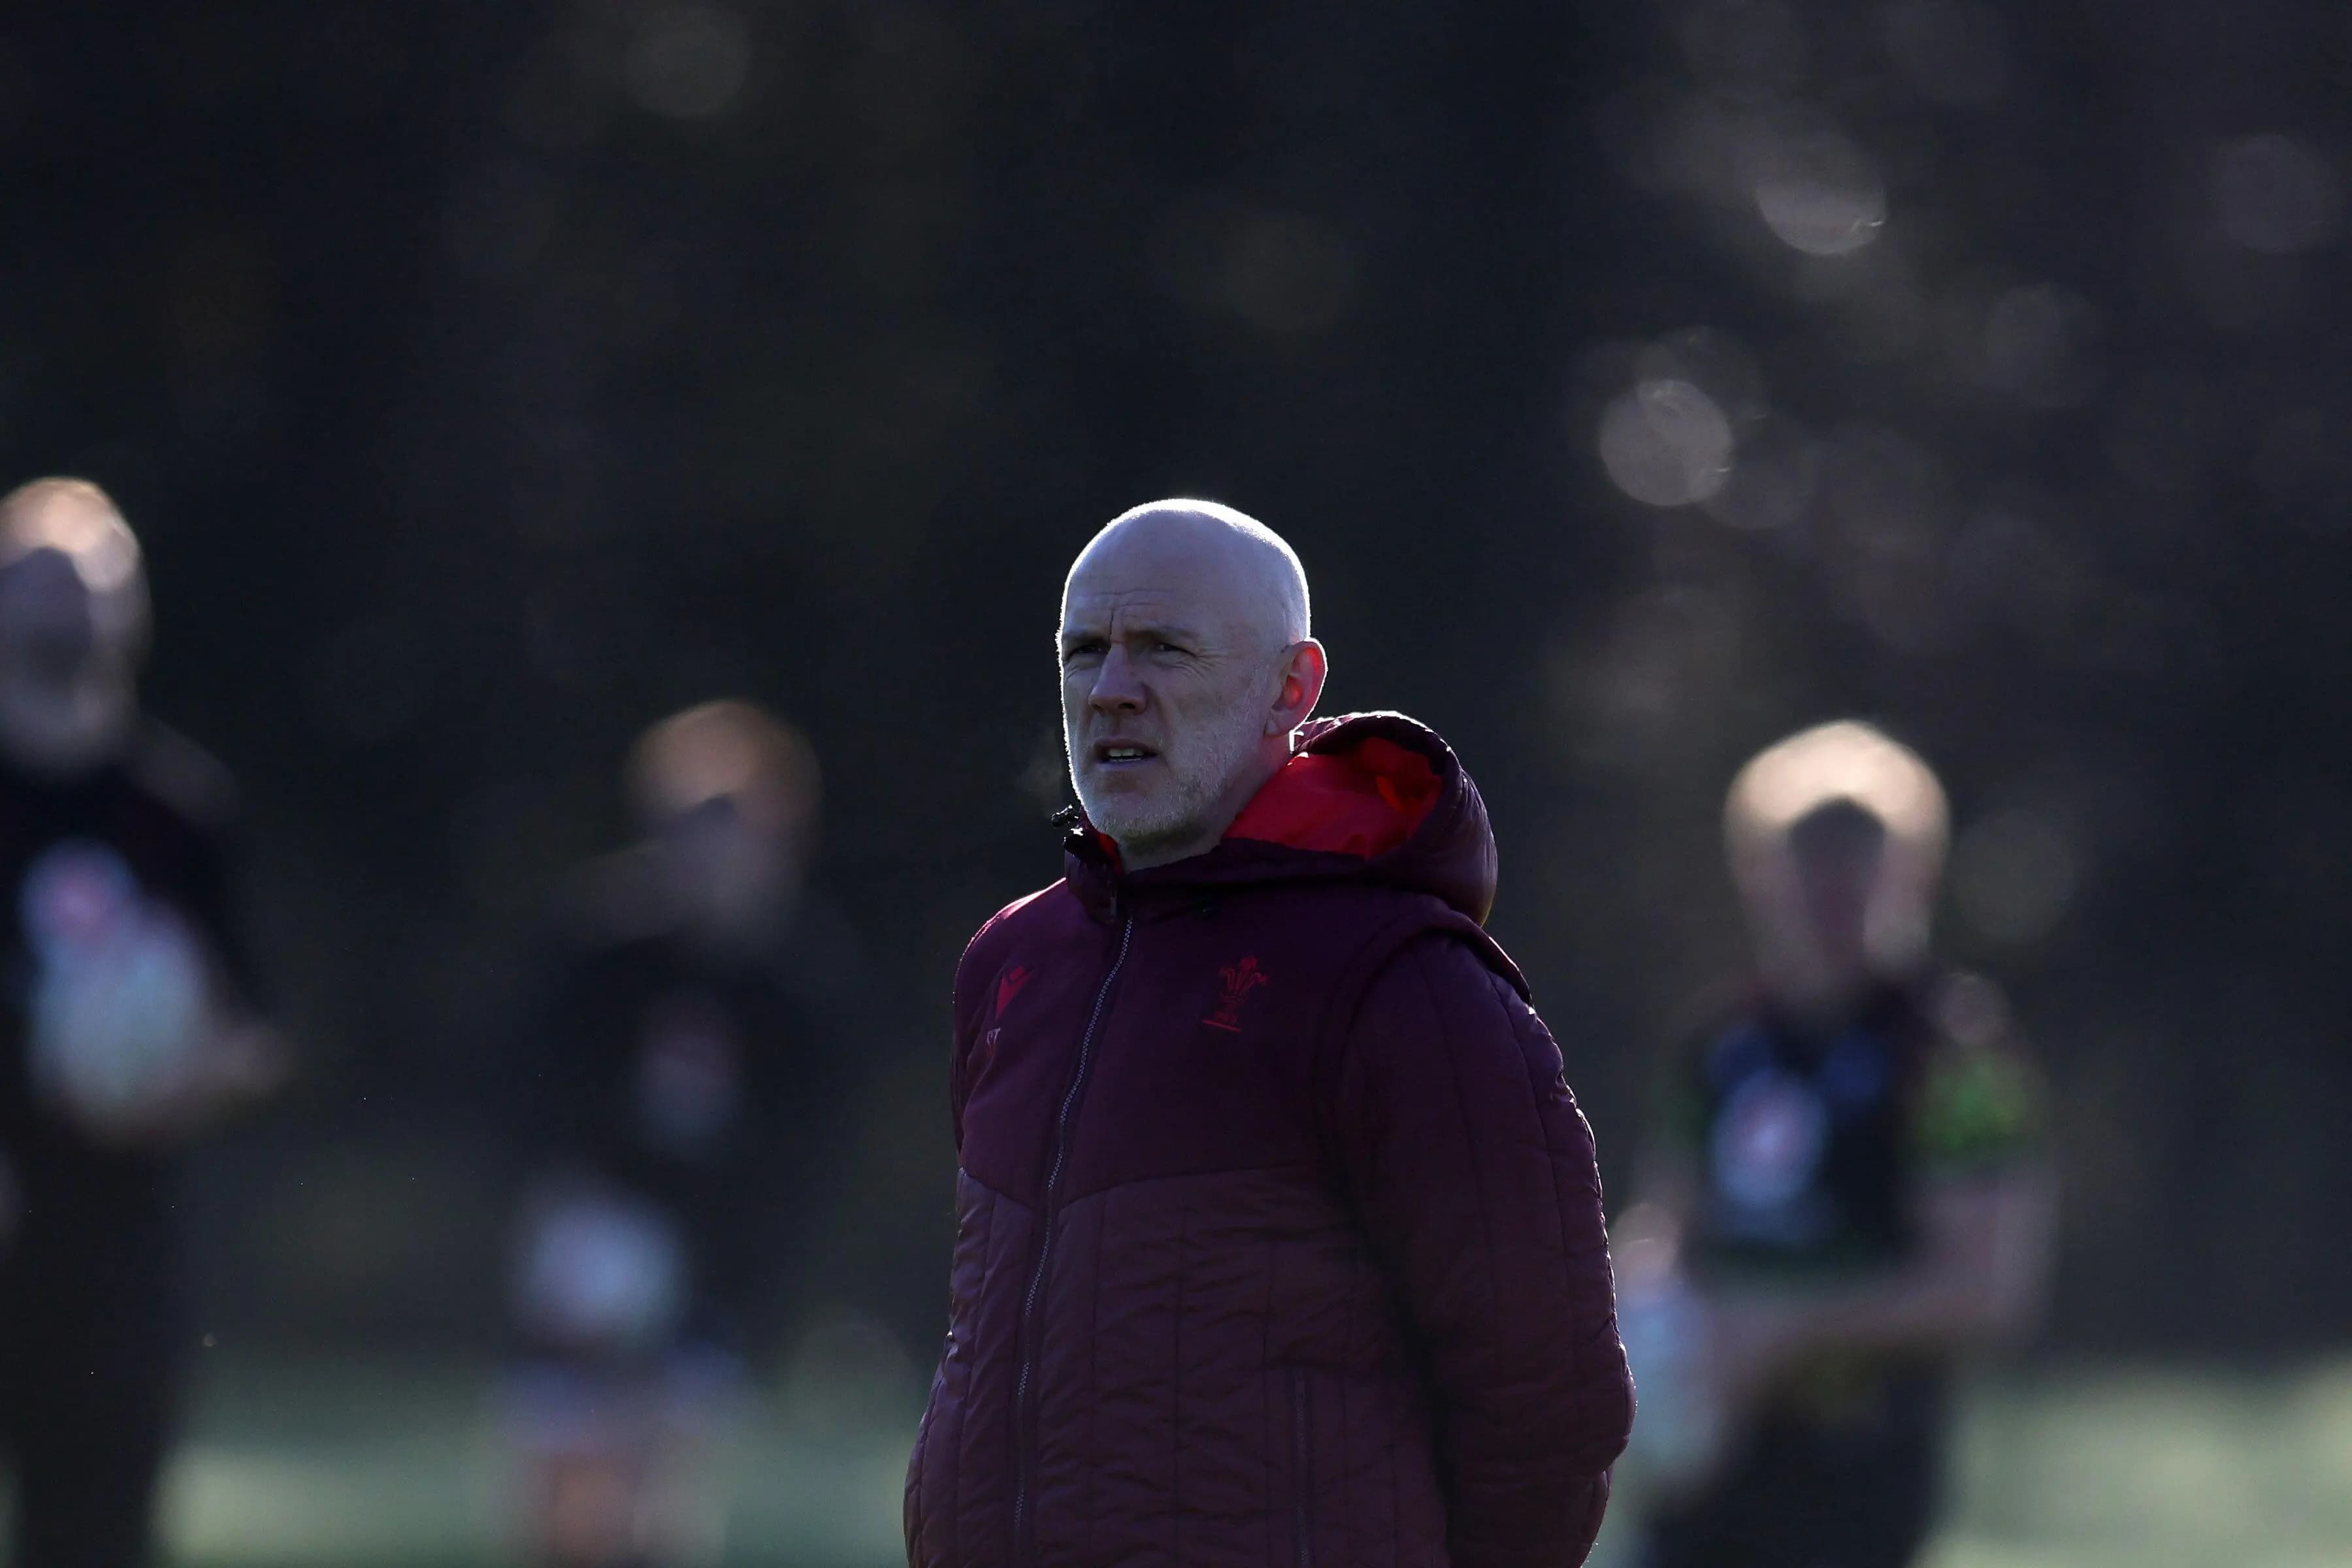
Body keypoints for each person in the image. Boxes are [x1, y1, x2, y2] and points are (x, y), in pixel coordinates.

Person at [904, 500, 1634, 1568]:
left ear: (1293, 689)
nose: (1112, 689)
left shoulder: (1403, 984)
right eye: (1084, 651)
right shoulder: (1012, 964)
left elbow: (1546, 1402)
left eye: (1163, 648)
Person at [1619, 721, 2057, 1568]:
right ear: (1756, 878)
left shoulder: (1953, 1057)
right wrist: (1655, 1325)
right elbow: (1665, 1226)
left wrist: (1788, 1331)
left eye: (1857, 881)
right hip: (1707, 1464)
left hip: (1858, 1476)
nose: (1833, 907)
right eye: (1807, 879)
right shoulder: (1718, 1048)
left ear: (1915, 879)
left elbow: (1986, 1289)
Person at [502, 699, 864, 1568]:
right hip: (595, 1246)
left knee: (659, 1502)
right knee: (566, 1497)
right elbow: (529, 1091)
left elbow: (804, 1159)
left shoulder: (799, 983)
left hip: (714, 1269)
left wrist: (737, 1286)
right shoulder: (601, 945)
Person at [0, 476, 285, 1568]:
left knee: (97, 1539)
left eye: (92, 587)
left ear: (134, 611)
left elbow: (257, 1037)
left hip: (113, 1260)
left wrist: (176, 1080)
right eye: (38, 586)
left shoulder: (178, 813)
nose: (66, 615)